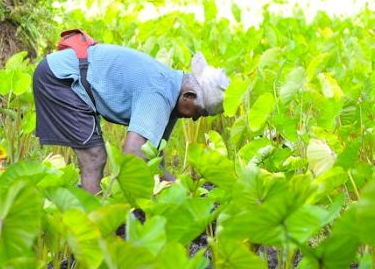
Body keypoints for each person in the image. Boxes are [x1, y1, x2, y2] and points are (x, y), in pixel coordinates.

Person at [32, 41, 229, 194]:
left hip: (70, 75)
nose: (195, 120)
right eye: (199, 113)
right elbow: (134, 154)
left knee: (95, 157)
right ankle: (95, 226)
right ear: (189, 96)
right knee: (94, 157)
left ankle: (88, 207)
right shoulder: (160, 93)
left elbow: (152, 159)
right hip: (61, 78)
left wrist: (180, 188)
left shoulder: (173, 93)